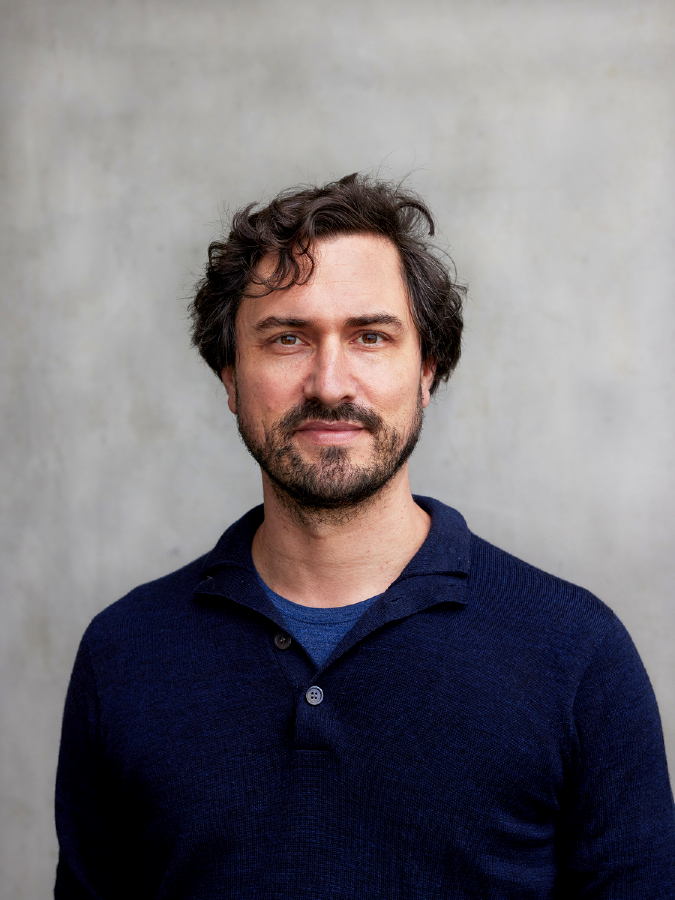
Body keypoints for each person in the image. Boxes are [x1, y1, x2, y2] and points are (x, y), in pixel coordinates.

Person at [55, 173, 675, 898]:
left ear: (427, 372)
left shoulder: (576, 653)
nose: (329, 383)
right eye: (287, 338)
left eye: (370, 337)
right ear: (229, 377)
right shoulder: (124, 653)